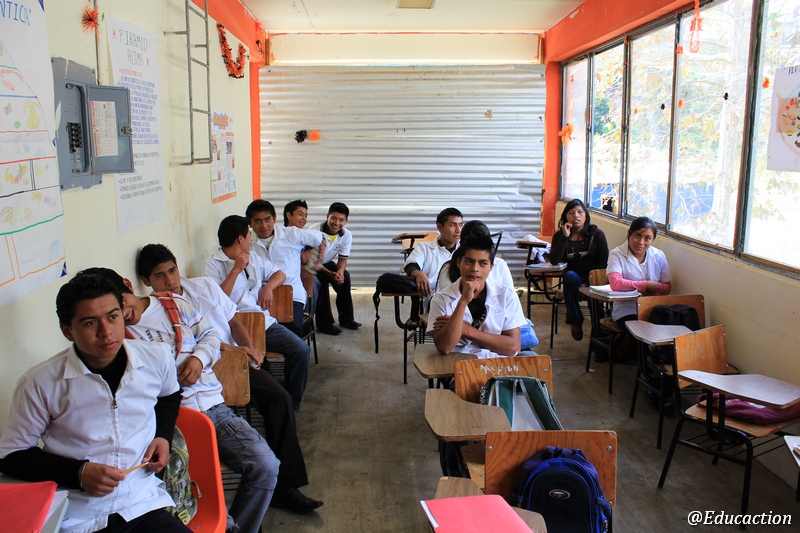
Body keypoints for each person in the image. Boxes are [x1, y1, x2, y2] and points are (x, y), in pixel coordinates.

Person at [86, 267, 279, 533]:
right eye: (113, 314)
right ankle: (226, 526)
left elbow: (211, 335)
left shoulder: (173, 304)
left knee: (266, 465)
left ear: (129, 286)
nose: (123, 315)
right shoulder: (115, 340)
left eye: (121, 305)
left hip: (214, 409)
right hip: (170, 423)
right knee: (198, 491)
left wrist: (199, 358)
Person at [136, 244, 323, 512]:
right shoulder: (155, 314)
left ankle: (285, 486)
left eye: (172, 271)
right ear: (146, 281)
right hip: (208, 370)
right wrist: (233, 350)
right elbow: (194, 343)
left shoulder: (204, 286)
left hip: (234, 361)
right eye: (159, 276)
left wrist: (250, 350)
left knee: (279, 399)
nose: (170, 280)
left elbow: (234, 322)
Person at [0, 272, 188, 533]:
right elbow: (11, 455)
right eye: (90, 323)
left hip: (141, 503)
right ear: (67, 330)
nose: (106, 332)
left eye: (112, 317)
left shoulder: (156, 357)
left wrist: (163, 435)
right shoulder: (41, 383)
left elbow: (169, 394)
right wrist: (78, 473)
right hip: (78, 515)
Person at [205, 215, 311, 411]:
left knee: (301, 350)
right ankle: (272, 401)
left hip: (262, 323)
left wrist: (268, 287)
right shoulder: (213, 264)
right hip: (233, 326)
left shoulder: (253, 257)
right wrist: (235, 270)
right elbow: (216, 301)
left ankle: (292, 402)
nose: (251, 239)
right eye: (248, 235)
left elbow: (280, 274)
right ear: (240, 239)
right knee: (256, 365)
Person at [428, 233, 527, 359]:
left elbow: (512, 347)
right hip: (458, 365)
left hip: (498, 366)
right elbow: (444, 347)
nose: (475, 269)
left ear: (491, 267)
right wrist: (463, 302)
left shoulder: (506, 295)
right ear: (459, 263)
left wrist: (465, 330)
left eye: (483, 263)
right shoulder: (441, 299)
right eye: (469, 261)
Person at [246, 199, 324, 336]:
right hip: (259, 296)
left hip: (292, 294)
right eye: (257, 221)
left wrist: (311, 266)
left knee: (292, 331)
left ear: (274, 218)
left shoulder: (291, 234)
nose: (263, 225)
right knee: (254, 330)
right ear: (250, 223)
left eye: (267, 219)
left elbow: (321, 239)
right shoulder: (247, 242)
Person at [548, 199, 609, 341]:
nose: (576, 215)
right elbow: (554, 260)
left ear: (586, 216)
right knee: (569, 276)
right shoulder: (560, 235)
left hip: (594, 280)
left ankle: (599, 341)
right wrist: (565, 237)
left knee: (594, 299)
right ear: (565, 217)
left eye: (580, 212)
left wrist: (588, 282)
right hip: (572, 280)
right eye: (571, 212)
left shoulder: (597, 235)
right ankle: (575, 320)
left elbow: (602, 264)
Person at [307, 202, 361, 335]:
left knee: (345, 277)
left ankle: (346, 319)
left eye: (341, 220)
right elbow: (311, 260)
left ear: (346, 221)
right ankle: (324, 324)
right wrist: (330, 274)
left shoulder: (346, 235)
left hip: (326, 263)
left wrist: (340, 272)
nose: (337, 223)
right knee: (321, 281)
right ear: (327, 217)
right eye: (333, 218)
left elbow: (343, 259)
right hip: (311, 265)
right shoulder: (313, 231)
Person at [402, 207, 462, 324]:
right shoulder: (424, 248)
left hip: (461, 298)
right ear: (439, 227)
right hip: (435, 300)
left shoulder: (465, 250)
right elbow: (411, 264)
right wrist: (419, 274)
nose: (458, 230)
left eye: (461, 225)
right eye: (452, 225)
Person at [607, 216, 671, 322]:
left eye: (647, 238)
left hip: (653, 309)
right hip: (626, 310)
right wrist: (646, 286)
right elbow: (616, 284)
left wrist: (657, 287)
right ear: (629, 233)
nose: (641, 242)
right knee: (641, 328)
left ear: (652, 240)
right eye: (637, 235)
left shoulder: (658, 255)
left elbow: (667, 287)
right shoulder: (616, 254)